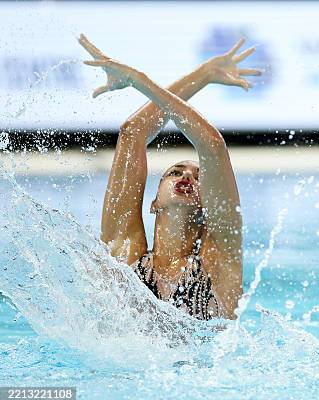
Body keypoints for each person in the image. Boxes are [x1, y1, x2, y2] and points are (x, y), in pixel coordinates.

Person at [79, 34, 261, 320]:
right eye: (174, 172)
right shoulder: (126, 257)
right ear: (154, 203)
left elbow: (212, 146)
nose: (186, 177)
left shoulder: (220, 259)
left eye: (198, 177)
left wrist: (139, 80)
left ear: (207, 204)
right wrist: (203, 75)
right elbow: (132, 133)